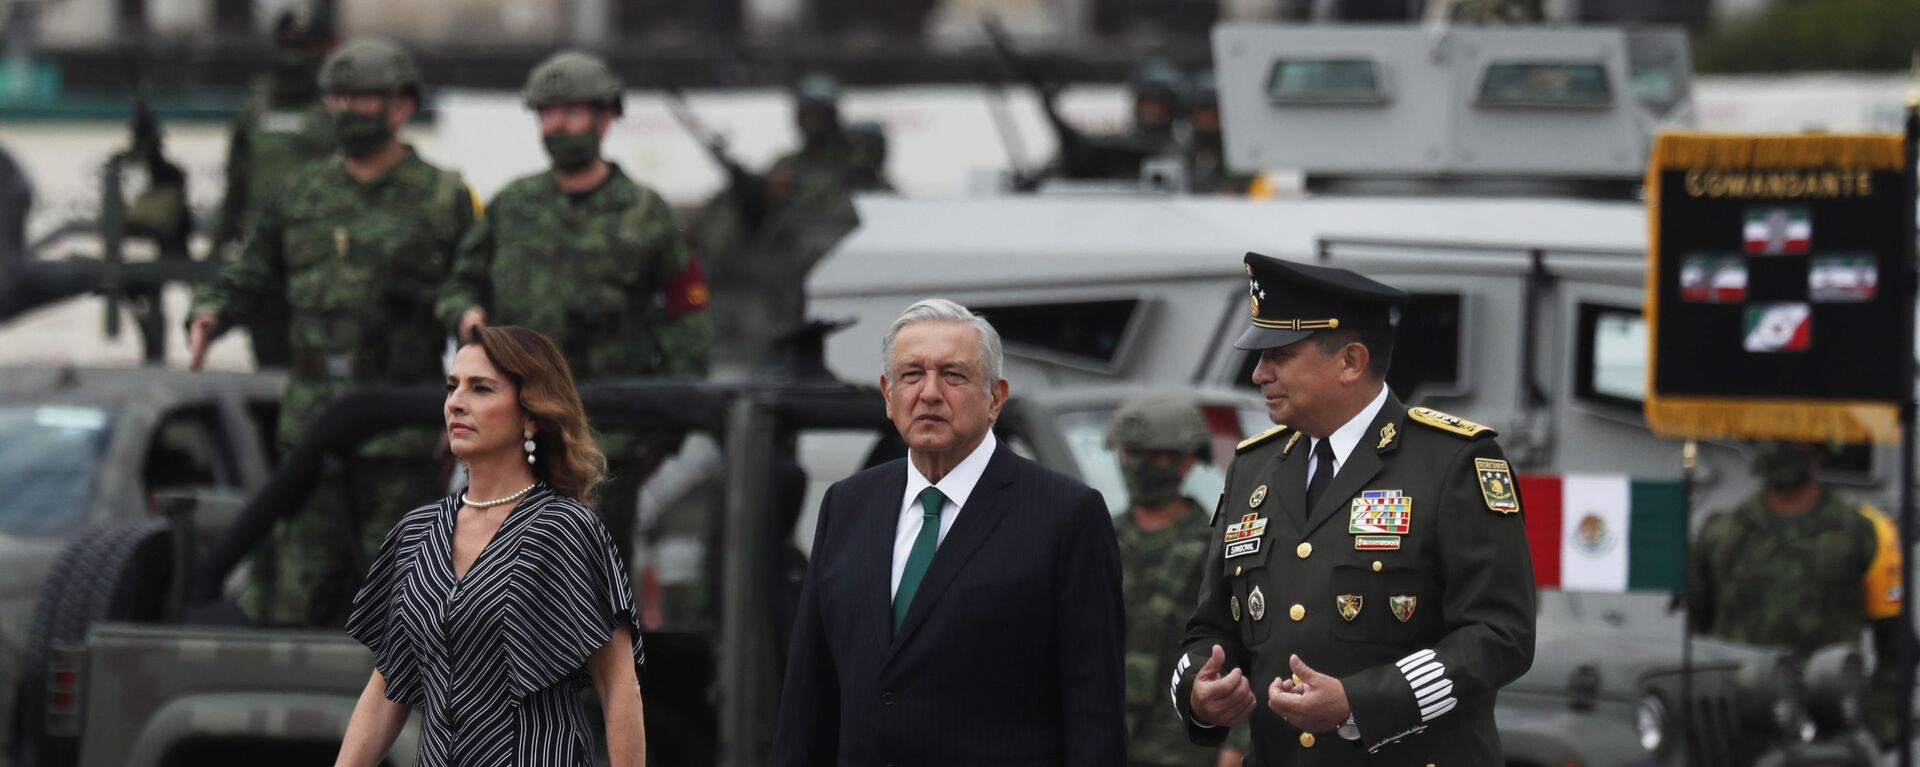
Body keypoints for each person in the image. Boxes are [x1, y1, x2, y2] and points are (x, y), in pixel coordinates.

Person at [1170, 253, 1536, 764]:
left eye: (1280, 355)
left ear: (1350, 361)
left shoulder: (1452, 462)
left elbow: (1502, 636)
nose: (1258, 373)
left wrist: (1360, 703)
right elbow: (1210, 628)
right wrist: (1199, 691)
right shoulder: (1253, 467)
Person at [188, 36, 480, 627]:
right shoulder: (299, 194)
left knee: (403, 603)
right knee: (301, 590)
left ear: (400, 108)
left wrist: (465, 392)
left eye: (363, 100)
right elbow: (252, 272)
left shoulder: (444, 197)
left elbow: (471, 289)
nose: (348, 113)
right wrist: (212, 312)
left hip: (399, 433)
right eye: (339, 100)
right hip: (314, 430)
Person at [770, 298, 1126, 765]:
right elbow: (808, 699)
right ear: (887, 393)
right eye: (912, 374)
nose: (930, 393)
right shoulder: (847, 505)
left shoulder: (1065, 515)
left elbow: (1094, 714)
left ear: (995, 397)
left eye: (953, 375)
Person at [440, 49, 712, 570]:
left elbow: (686, 326)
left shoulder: (645, 214)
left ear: (606, 117)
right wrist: (468, 317)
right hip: (513, 434)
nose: (557, 125)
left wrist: (660, 438)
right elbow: (459, 284)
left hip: (606, 441)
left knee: (594, 588)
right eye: (546, 113)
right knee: (503, 579)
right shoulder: (513, 206)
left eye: (571, 112)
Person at [336, 325, 644, 766]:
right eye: (452, 387)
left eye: (480, 389)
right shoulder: (415, 533)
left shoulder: (565, 530)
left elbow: (619, 686)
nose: (457, 401)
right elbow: (387, 688)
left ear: (531, 414)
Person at [1690, 441, 1905, 746]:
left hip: (1825, 729)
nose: (1779, 447)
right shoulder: (1721, 534)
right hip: (1738, 729)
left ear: (1819, 446)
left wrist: (1874, 727)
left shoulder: (1865, 532)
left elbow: (1897, 646)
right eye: (1772, 436)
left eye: (1792, 437)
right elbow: (1694, 638)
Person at [1106, 392, 1251, 767]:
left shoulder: (1216, 548)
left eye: (1153, 457)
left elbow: (1249, 650)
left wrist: (1237, 747)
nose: (1139, 466)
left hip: (1183, 747)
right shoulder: (1099, 537)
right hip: (1105, 740)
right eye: (1130, 454)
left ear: (1186, 462)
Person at [210, 6, 337, 368]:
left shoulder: (338, 108)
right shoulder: (255, 105)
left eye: (305, 46)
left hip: (319, 262)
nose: (294, 55)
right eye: (288, 44)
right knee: (268, 363)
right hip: (263, 258)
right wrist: (218, 246)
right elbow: (236, 182)